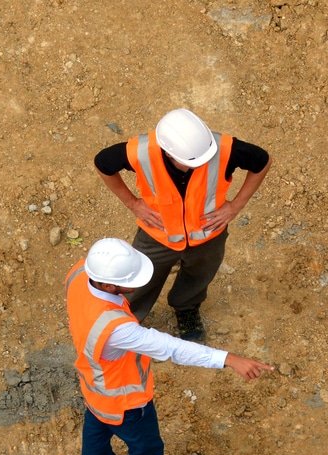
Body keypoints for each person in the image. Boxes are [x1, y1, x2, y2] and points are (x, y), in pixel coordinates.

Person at [65, 237, 273, 455]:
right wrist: (228, 358)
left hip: (94, 383)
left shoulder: (80, 272)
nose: (136, 286)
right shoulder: (117, 330)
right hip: (125, 401)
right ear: (110, 286)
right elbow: (170, 348)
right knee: (147, 452)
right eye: (130, 282)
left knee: (96, 421)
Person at [94, 108, 272, 342]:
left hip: (209, 235)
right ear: (168, 152)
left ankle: (186, 307)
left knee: (199, 276)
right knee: (138, 280)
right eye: (193, 161)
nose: (204, 163)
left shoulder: (223, 148)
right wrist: (133, 204)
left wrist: (235, 206)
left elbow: (262, 161)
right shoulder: (141, 152)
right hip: (157, 235)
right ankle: (128, 321)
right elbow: (102, 164)